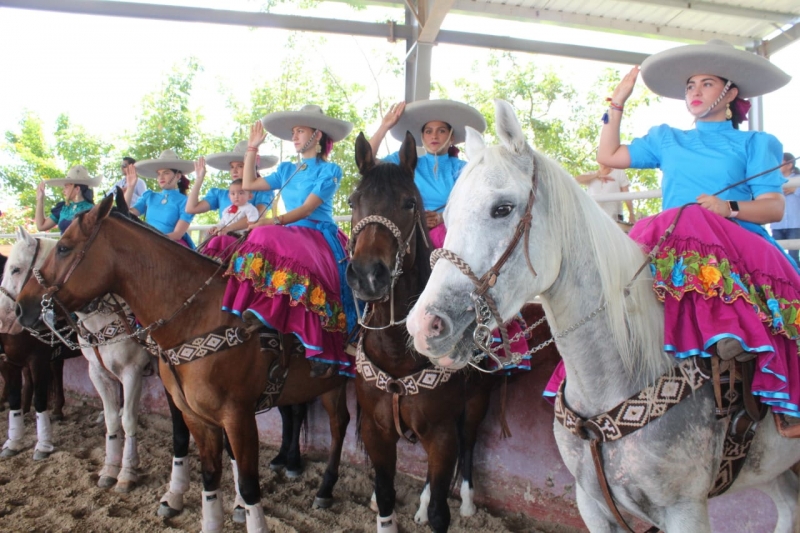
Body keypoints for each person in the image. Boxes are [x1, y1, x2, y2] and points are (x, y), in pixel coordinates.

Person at [575, 39, 800, 418]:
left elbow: (774, 207)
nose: (695, 92)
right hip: (672, 241)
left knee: (694, 215)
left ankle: (737, 345)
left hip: (737, 243)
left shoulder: (756, 142)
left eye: (707, 84)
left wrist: (726, 207)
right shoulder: (668, 138)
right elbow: (608, 156)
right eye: (690, 86)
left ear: (730, 93)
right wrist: (617, 102)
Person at [222, 105, 355, 378]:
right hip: (289, 232)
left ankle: (321, 345)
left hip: (317, 232)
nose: (294, 136)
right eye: (293, 132)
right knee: (260, 235)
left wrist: (274, 221)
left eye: (300, 131)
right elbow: (248, 184)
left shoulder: (330, 170)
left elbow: (307, 210)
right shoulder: (286, 170)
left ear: (317, 135)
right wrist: (252, 148)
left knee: (264, 233)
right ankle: (263, 314)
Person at [368, 99, 486, 248]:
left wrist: (442, 217)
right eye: (428, 131)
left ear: (452, 138)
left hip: (449, 234)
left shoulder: (462, 168)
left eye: (441, 131)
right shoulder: (407, 162)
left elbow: (475, 205)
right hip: (409, 229)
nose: (434, 136)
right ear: (422, 137)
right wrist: (384, 126)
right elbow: (368, 160)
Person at [186, 141, 278, 261]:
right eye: (232, 167)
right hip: (222, 239)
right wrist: (199, 179)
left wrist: (227, 229)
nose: (234, 171)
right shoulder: (222, 194)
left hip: (246, 241)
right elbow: (191, 208)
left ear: (251, 166)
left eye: (240, 166)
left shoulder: (262, 192)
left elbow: (256, 217)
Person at [123, 149, 196, 248]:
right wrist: (131, 186)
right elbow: (125, 214)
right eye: (158, 174)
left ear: (178, 176)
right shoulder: (149, 196)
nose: (161, 177)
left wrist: (152, 240)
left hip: (171, 246)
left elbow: (177, 234)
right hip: (147, 243)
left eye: (166, 173)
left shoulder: (186, 201)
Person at [35, 165, 102, 234]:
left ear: (77, 189)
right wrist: (40, 199)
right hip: (62, 245)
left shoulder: (92, 210)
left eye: (66, 187)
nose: (63, 191)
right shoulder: (63, 208)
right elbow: (41, 226)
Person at [771, 152, 800, 263]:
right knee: (777, 256)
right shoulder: (773, 180)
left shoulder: (798, 178)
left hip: (795, 224)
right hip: (777, 223)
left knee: (793, 257)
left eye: (780, 162)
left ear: (789, 165)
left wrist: (795, 190)